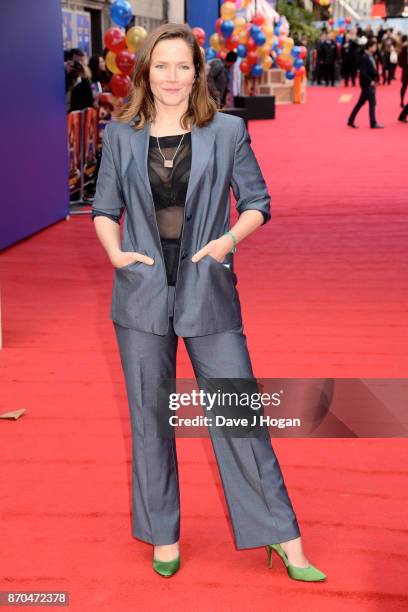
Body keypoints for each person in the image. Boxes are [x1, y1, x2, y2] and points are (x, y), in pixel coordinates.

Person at [91, 22, 326, 582]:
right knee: (150, 418)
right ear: (146, 71)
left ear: (198, 71)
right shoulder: (121, 134)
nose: (171, 77)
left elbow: (258, 202)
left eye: (182, 66)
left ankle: (284, 538)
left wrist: (227, 240)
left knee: (238, 411)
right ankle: (163, 534)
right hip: (140, 296)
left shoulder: (226, 131)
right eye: (161, 66)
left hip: (208, 289)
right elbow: (104, 207)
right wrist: (116, 255)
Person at [347, 38, 384, 129]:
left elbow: (373, 69)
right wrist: (370, 80)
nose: (375, 48)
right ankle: (373, 123)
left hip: (369, 84)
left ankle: (350, 120)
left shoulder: (370, 56)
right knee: (372, 103)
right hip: (367, 84)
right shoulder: (365, 57)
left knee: (360, 103)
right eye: (374, 46)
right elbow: (362, 72)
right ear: (369, 47)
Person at [398, 35, 408, 107]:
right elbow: (400, 59)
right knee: (404, 86)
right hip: (406, 71)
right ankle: (401, 100)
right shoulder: (404, 48)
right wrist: (406, 65)